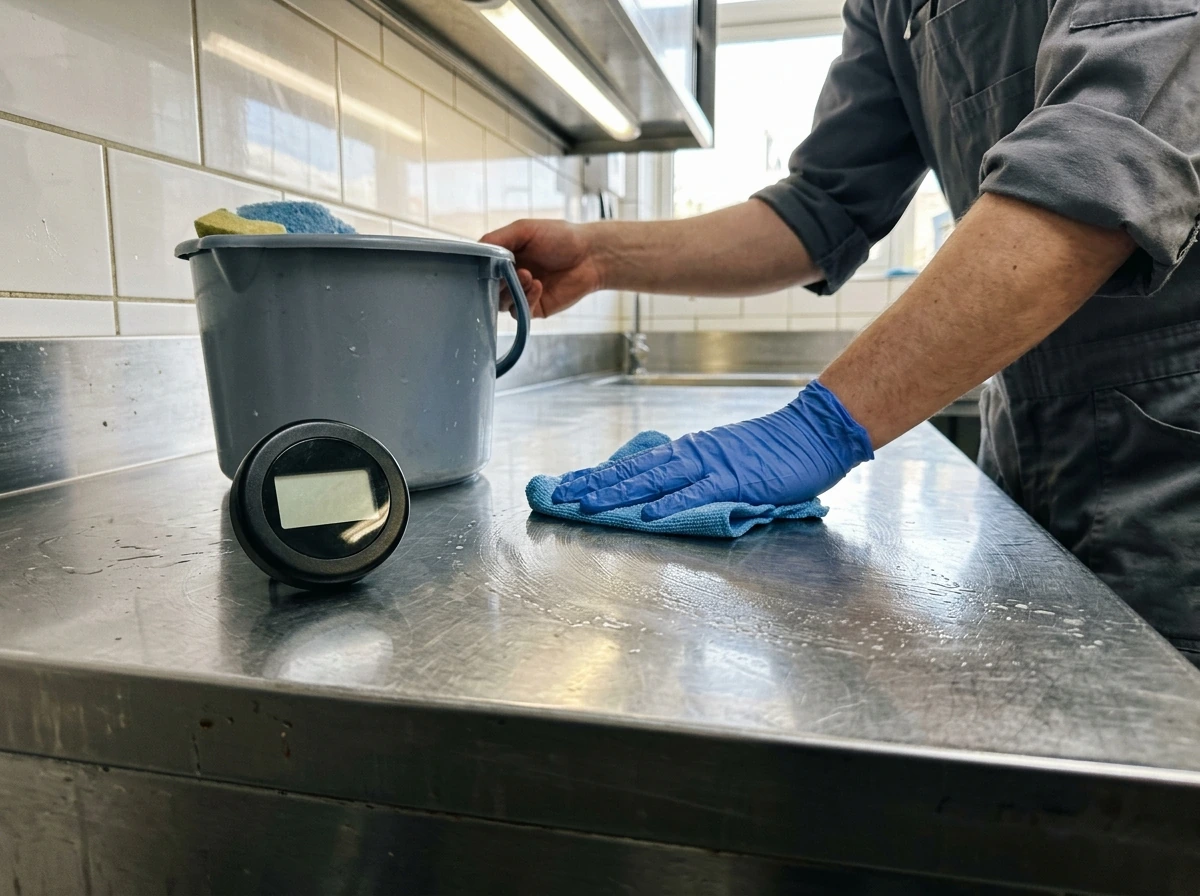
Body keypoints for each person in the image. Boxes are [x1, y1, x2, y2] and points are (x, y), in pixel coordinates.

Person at [482, 0, 1200, 665]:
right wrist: (601, 256)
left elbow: (1106, 156)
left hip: (1174, 446)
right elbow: (824, 205)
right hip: (1030, 431)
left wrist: (819, 428)